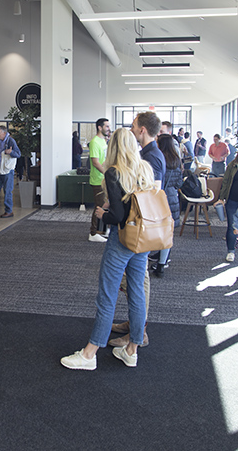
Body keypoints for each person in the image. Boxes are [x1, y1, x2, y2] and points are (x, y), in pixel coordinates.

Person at [60, 128, 156, 371]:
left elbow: (119, 216)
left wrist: (104, 213)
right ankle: (132, 350)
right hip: (143, 239)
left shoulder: (114, 173)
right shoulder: (145, 168)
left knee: (107, 295)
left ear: (114, 146)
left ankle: (90, 353)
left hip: (122, 240)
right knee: (136, 293)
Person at [108, 112, 165, 349]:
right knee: (135, 282)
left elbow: (151, 196)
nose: (131, 130)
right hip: (137, 227)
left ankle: (138, 333)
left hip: (139, 229)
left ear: (142, 129)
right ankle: (134, 325)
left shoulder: (152, 157)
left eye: (133, 126)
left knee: (139, 284)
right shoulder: (147, 155)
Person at [154, 133, 183, 275]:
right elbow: (180, 182)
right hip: (172, 197)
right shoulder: (177, 160)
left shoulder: (158, 159)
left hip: (159, 197)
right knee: (168, 231)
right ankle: (162, 263)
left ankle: (157, 256)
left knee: (154, 228)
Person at [0, 125, 21, 218]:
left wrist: (10, 152)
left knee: (7, 191)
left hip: (7, 170)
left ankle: (9, 211)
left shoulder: (11, 141)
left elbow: (18, 154)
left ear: (4, 133)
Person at [88, 118, 111, 241]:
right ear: (99, 127)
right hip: (98, 180)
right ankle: (93, 233)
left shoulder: (103, 142)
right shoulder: (95, 142)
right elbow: (96, 162)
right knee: (99, 206)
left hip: (104, 180)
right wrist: (107, 173)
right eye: (106, 126)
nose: (109, 128)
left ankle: (102, 230)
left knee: (105, 205)